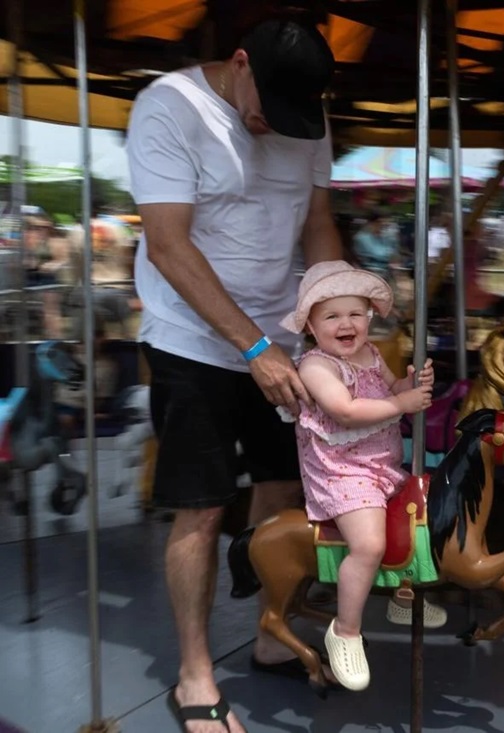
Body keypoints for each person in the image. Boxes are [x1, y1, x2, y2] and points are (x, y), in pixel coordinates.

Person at [125, 18, 341, 733]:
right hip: (193, 341)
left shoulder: (307, 120)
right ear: (238, 63)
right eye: (263, 108)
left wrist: (334, 309)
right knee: (202, 506)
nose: (269, 125)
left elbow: (316, 223)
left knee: (285, 495)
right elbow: (167, 244)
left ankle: (270, 631)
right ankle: (194, 674)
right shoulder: (169, 107)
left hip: (278, 333)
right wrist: (254, 349)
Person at [278, 260, 436, 690]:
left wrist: (410, 386)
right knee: (368, 542)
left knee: (423, 513)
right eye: (331, 316)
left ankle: (401, 592)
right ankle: (345, 631)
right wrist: (402, 406)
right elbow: (345, 411)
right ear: (311, 325)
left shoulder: (371, 354)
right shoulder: (316, 367)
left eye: (355, 314)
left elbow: (389, 394)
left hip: (380, 464)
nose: (346, 323)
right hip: (341, 470)